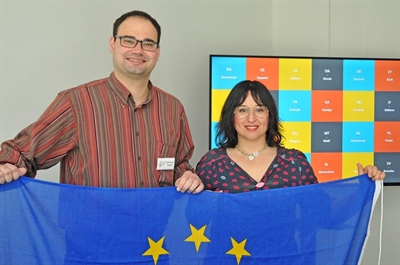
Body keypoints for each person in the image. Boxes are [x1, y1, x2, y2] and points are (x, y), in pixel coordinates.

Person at [0, 10, 203, 193]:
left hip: (153, 234)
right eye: (128, 40)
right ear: (113, 44)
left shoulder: (173, 109)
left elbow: (179, 167)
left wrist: (188, 177)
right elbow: (21, 154)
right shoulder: (76, 103)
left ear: (157, 53)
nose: (138, 50)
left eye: (148, 43)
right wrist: (5, 167)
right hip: (88, 233)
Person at [196, 80, 385, 193]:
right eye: (242, 110)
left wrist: (363, 186)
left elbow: (323, 213)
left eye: (259, 109)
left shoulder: (295, 162)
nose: (251, 118)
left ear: (270, 115)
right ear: (231, 115)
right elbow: (194, 219)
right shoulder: (211, 163)